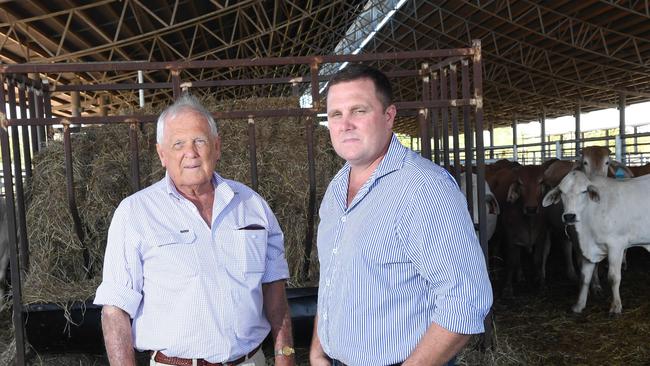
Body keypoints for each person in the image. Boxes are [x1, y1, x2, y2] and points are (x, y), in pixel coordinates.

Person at [309, 64, 493, 366]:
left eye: (359, 111)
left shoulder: (424, 188)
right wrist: (318, 350)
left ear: (389, 116)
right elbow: (333, 279)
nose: (345, 125)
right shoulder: (336, 189)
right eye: (335, 115)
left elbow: (466, 300)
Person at [94, 94, 295, 366]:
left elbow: (274, 285)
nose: (191, 152)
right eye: (178, 144)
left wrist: (285, 355)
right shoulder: (135, 213)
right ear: (162, 154)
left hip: (251, 361)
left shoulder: (251, 204)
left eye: (199, 141)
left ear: (217, 147)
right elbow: (115, 310)